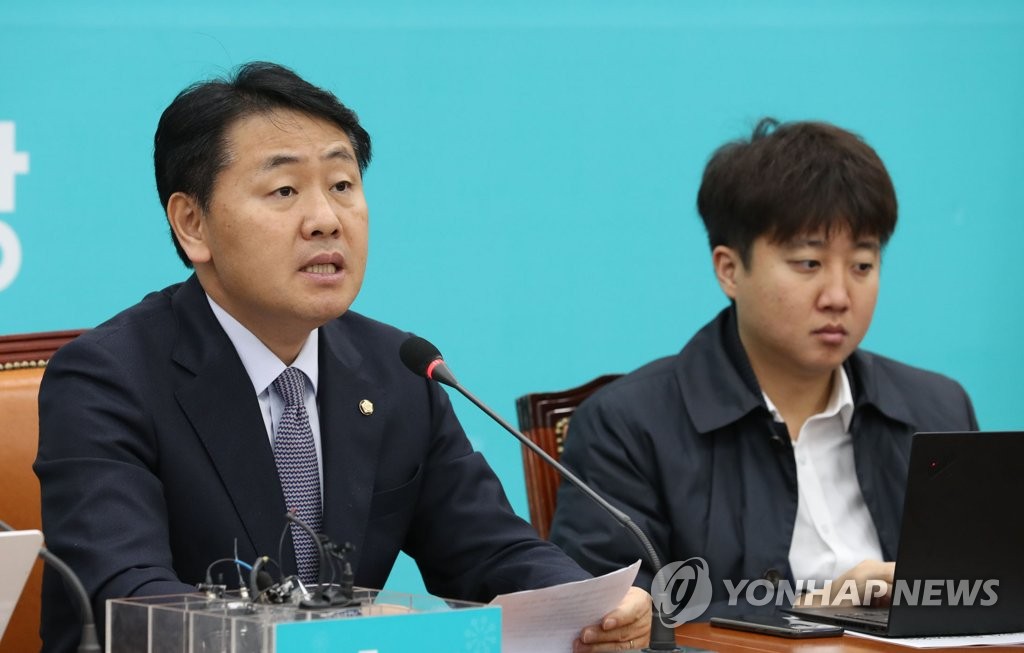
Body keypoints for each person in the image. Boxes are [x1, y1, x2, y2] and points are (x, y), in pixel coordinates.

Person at [35, 62, 650, 652]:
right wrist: (323, 637)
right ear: (192, 223)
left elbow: (490, 550)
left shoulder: (396, 369)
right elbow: (130, 599)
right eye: (284, 190)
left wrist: (589, 605)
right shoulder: (108, 379)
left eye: (342, 186)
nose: (326, 220)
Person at [549, 118, 978, 617]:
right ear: (729, 270)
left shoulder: (938, 409)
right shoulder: (628, 426)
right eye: (808, 264)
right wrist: (807, 613)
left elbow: (986, 589)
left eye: (862, 265)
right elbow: (613, 622)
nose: (839, 296)